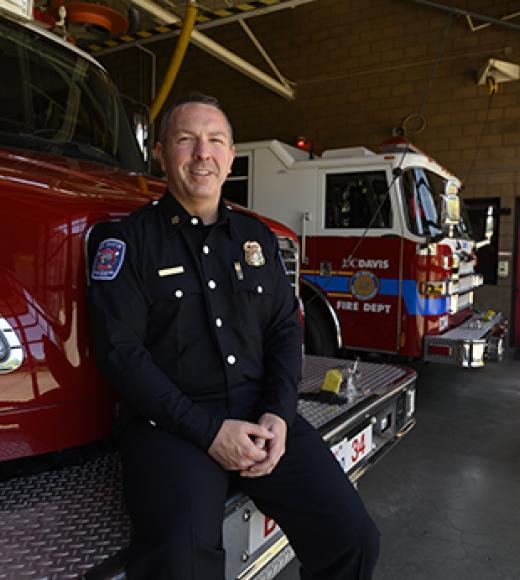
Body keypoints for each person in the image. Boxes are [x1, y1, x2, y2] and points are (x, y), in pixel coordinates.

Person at [88, 92, 379, 579]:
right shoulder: (125, 241)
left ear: (230, 156)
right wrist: (208, 432)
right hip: (172, 427)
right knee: (180, 563)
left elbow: (286, 328)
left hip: (260, 417)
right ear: (162, 154)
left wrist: (279, 414)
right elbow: (120, 353)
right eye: (186, 140)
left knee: (352, 538)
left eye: (215, 141)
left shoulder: (257, 238)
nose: (202, 153)